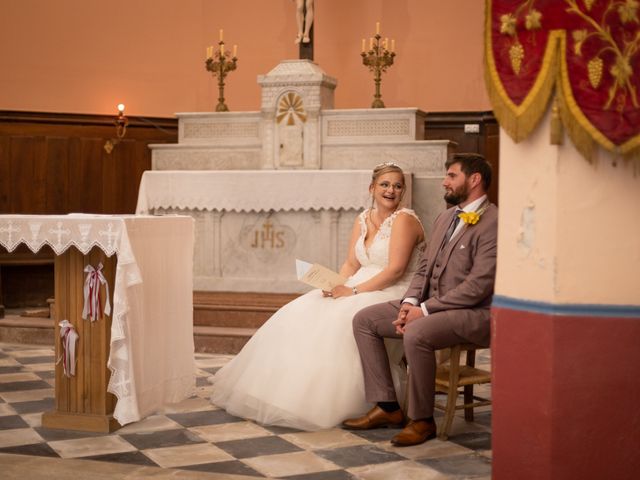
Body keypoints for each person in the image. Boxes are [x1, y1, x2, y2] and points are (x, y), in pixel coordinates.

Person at [209, 163, 426, 430]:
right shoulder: (362, 218)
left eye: (397, 185)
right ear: (372, 188)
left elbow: (395, 270)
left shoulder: (404, 219)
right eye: (385, 184)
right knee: (302, 309)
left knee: (341, 319)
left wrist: (353, 291)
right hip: (359, 283)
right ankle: (284, 394)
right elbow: (350, 263)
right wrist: (335, 283)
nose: (391, 190)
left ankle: (373, 404)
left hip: (394, 290)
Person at [343, 153, 498, 446]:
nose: (445, 182)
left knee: (416, 331)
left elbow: (478, 286)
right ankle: (387, 407)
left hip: (474, 313)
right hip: (431, 305)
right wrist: (410, 302)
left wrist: (424, 310)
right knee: (365, 320)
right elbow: (424, 268)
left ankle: (422, 419)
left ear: (474, 179)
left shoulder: (494, 221)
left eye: (452, 176)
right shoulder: (445, 217)